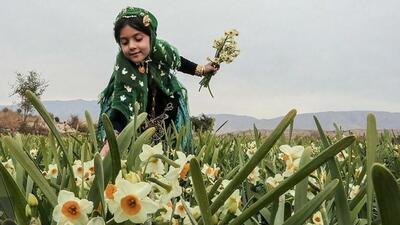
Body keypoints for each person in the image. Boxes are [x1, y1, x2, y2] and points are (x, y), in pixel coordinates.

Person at [97, 6, 219, 155]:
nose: (132, 46)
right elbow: (123, 105)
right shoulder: (124, 66)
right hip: (137, 107)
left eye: (138, 39)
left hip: (166, 100)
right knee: (138, 146)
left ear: (151, 36)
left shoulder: (162, 50)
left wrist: (202, 69)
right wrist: (112, 139)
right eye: (125, 42)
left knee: (168, 146)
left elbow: (177, 62)